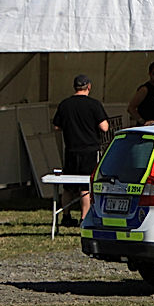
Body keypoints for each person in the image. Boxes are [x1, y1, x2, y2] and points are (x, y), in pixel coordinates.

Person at [53, 74, 110, 226]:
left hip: (71, 150)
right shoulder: (94, 104)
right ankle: (84, 218)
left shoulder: (65, 104)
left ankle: (66, 216)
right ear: (89, 87)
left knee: (68, 186)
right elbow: (104, 127)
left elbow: (56, 126)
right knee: (86, 186)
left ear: (74, 87)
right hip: (89, 151)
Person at [128, 61, 154, 125]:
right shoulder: (145, 89)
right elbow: (131, 108)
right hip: (146, 127)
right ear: (150, 74)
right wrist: (143, 122)